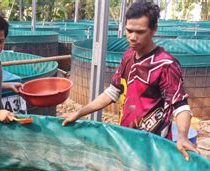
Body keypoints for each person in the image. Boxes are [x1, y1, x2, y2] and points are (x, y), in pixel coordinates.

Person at [62, 2, 199, 161]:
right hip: (126, 139)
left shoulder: (166, 65)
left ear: (153, 30)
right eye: (129, 30)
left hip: (153, 146)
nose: (133, 37)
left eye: (140, 32)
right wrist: (78, 113)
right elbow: (112, 92)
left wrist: (182, 136)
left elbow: (180, 105)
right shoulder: (128, 56)